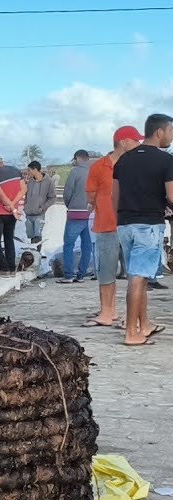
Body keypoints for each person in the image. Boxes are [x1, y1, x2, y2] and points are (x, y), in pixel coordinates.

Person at [111, 113, 172, 346]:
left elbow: (114, 197)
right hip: (148, 225)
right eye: (171, 132)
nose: (171, 137)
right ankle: (131, 333)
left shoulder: (124, 160)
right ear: (160, 132)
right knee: (137, 278)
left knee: (141, 276)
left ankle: (144, 324)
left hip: (125, 224)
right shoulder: (166, 160)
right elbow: (171, 196)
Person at [86, 127, 141, 328]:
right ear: (123, 141)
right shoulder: (99, 166)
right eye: (136, 140)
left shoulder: (137, 165)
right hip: (106, 226)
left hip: (132, 226)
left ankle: (128, 313)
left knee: (135, 273)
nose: (139, 144)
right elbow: (90, 195)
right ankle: (108, 312)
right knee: (106, 271)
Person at [0, 150, 26, 274]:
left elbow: (0, 194)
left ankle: (3, 268)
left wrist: (10, 206)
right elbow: (23, 189)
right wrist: (13, 205)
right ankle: (11, 267)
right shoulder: (15, 170)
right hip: (11, 214)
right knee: (9, 240)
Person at [60, 150, 93, 284]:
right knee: (87, 245)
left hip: (75, 212)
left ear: (78, 158)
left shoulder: (75, 172)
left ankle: (68, 275)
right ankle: (81, 275)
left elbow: (67, 192)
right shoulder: (95, 171)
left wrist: (70, 205)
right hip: (91, 213)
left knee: (68, 244)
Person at [23, 161, 56, 243]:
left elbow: (52, 198)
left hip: (39, 214)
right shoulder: (29, 181)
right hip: (28, 213)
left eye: (29, 170)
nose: (28, 172)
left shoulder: (49, 181)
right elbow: (26, 195)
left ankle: (37, 254)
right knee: (31, 236)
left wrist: (43, 207)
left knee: (37, 235)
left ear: (35, 169)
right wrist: (25, 206)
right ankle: (33, 254)